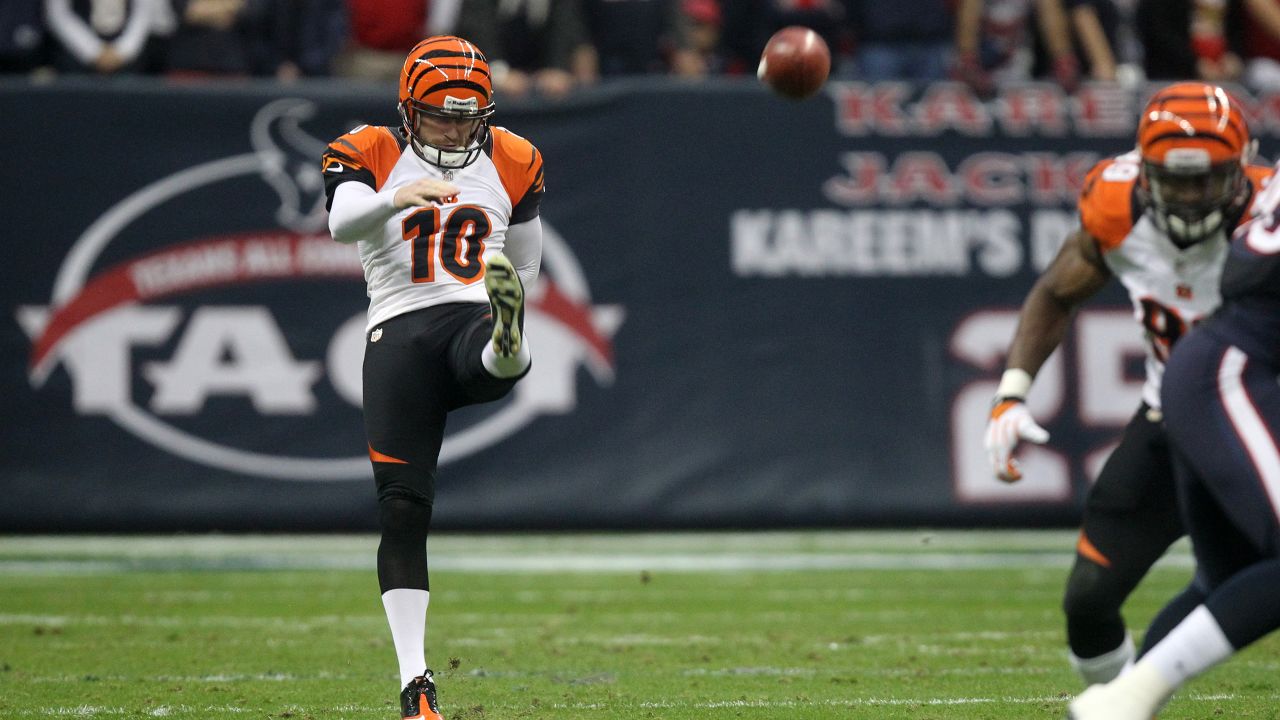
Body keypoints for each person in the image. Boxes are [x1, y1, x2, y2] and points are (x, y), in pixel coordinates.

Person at [983, 82, 1272, 686]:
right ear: (1143, 172)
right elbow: (1056, 292)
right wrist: (1012, 391)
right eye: (1174, 179)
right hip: (1174, 423)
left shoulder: (1267, 217)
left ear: (1241, 170)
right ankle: (1121, 698)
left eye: (1207, 178)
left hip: (1265, 419)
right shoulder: (1115, 208)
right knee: (1088, 599)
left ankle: (1134, 696)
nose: (1190, 197)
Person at [321, 34, 543, 720]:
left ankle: (507, 344)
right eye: (439, 115)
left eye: (464, 115)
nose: (452, 127)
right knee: (401, 508)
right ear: (407, 108)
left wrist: (509, 306)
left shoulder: (515, 158)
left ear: (484, 112)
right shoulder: (369, 149)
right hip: (399, 331)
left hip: (468, 312)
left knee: (489, 338)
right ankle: (415, 681)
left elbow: (526, 265)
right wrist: (399, 196)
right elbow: (339, 223)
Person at [1068, 136, 1280, 720]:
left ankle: (1121, 699)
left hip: (1228, 367)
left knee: (1228, 578)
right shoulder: (1120, 206)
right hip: (1238, 370)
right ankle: (1127, 700)